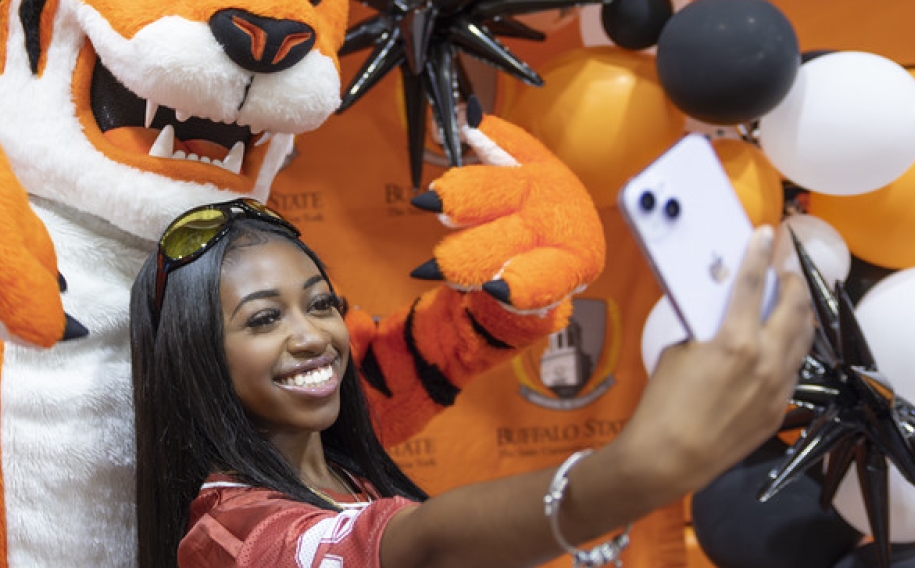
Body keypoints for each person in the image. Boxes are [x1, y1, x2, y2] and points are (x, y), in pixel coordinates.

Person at [129, 199, 816, 568]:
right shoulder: (230, 536)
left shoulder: (342, 473)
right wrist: (634, 472)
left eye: (319, 303)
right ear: (198, 360)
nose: (311, 335)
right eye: (263, 319)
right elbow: (420, 544)